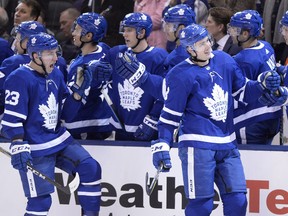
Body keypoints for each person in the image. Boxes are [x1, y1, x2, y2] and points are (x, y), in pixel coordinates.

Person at [149, 23, 283, 216]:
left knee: (238, 201)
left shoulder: (224, 60)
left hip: (227, 143)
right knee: (202, 205)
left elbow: (244, 92)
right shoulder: (179, 75)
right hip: (197, 146)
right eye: (201, 44)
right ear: (189, 49)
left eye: (207, 41)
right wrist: (163, 143)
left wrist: (262, 84)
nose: (207, 46)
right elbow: (170, 117)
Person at [1, 32, 101, 216]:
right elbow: (11, 118)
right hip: (35, 146)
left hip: (58, 139)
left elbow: (66, 114)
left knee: (91, 168)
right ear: (35, 56)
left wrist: (77, 94)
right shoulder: (19, 78)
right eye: (49, 53)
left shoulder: (55, 73)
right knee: (40, 202)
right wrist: (18, 143)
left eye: (56, 52)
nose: (55, 58)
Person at [107, 12, 168, 141]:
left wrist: (153, 119)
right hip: (121, 127)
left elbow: (164, 93)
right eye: (124, 30)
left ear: (141, 32)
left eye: (129, 30)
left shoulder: (158, 57)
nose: (125, 34)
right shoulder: (116, 53)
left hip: (146, 128)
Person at [227, 10, 281, 145]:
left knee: (249, 161)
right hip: (273, 115)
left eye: (235, 29)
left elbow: (240, 95)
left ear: (245, 33)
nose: (232, 33)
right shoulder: (266, 46)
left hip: (251, 120)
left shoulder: (243, 60)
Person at [63, 12, 113, 140]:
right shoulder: (103, 48)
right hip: (103, 120)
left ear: (88, 36)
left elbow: (74, 103)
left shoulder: (82, 69)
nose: (73, 33)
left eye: (78, 30)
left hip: (83, 125)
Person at [162, 4, 196, 71]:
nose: (165, 29)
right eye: (165, 24)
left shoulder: (180, 57)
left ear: (181, 28)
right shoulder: (191, 47)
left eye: (169, 25)